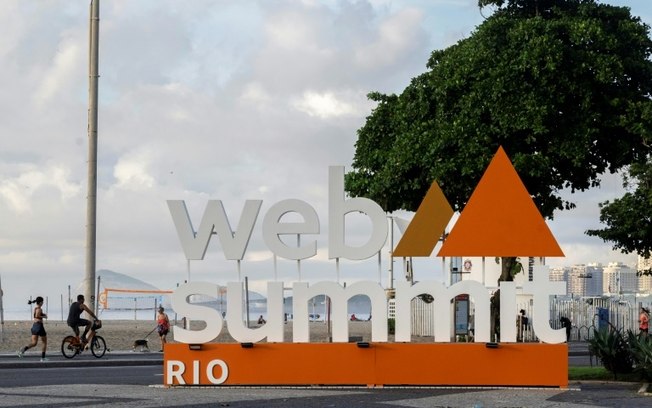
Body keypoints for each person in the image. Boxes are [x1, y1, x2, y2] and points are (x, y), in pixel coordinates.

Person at [18, 296, 49, 361]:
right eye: (42, 301)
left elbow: (36, 315)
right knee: (44, 342)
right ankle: (43, 358)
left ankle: (23, 349)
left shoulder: (35, 308)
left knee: (34, 343)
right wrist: (44, 316)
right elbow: (37, 315)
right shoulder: (39, 309)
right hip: (39, 326)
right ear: (40, 302)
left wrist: (43, 314)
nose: (43, 302)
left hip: (34, 326)